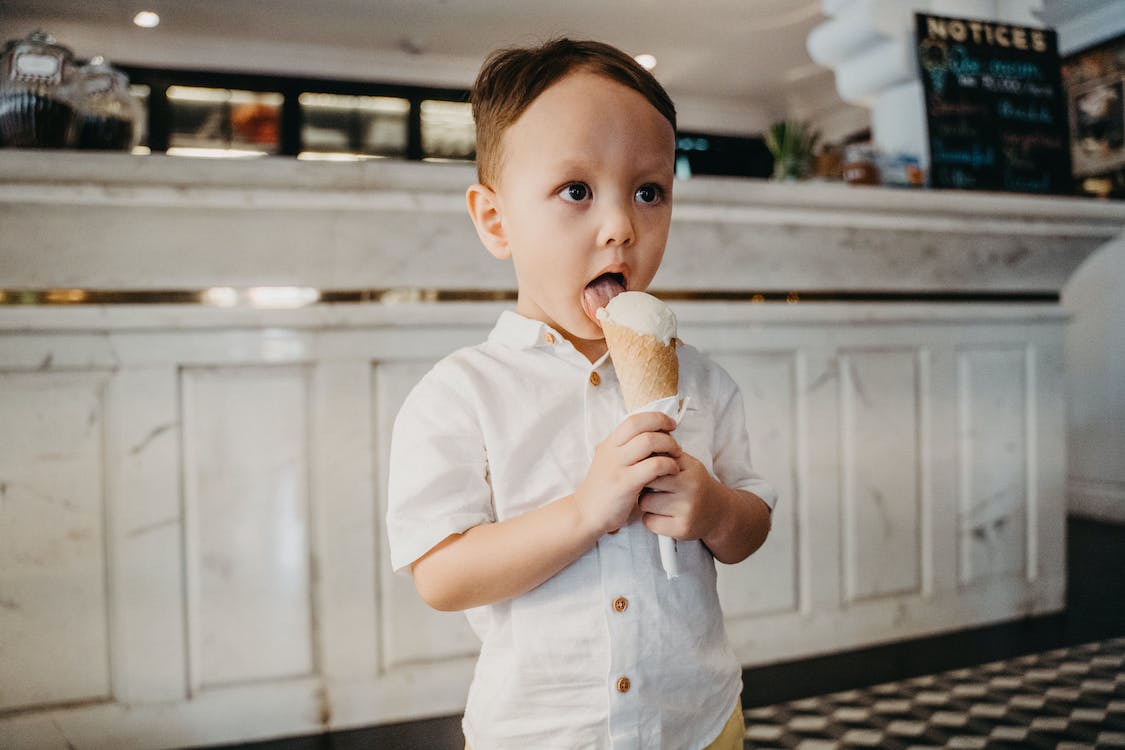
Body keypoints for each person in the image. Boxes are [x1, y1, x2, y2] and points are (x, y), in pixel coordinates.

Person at [387, 38, 777, 750]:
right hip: (542, 732)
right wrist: (582, 511)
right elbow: (441, 576)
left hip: (698, 723)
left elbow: (751, 526)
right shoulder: (461, 393)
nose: (621, 226)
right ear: (494, 220)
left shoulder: (704, 381)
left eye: (648, 191)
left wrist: (715, 508)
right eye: (576, 191)